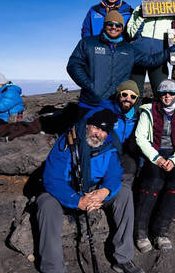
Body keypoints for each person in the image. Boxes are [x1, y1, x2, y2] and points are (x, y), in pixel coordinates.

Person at [37, 108, 144, 273]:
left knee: (124, 193)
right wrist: (77, 200)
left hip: (94, 189)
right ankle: (53, 268)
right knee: (46, 205)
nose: (98, 133)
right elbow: (52, 178)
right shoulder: (67, 142)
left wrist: (104, 191)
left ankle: (123, 258)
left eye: (103, 130)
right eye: (96, 127)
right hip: (67, 190)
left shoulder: (110, 146)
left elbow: (114, 174)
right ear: (88, 126)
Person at [133, 79, 175, 252]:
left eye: (171, 93)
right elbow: (140, 137)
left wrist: (174, 160)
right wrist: (157, 158)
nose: (167, 96)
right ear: (158, 94)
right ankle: (140, 231)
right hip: (155, 153)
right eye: (163, 93)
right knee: (153, 181)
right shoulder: (148, 110)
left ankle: (160, 232)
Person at [68, 10, 154, 118]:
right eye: (110, 24)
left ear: (122, 28)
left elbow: (151, 60)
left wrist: (171, 51)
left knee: (112, 134)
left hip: (115, 104)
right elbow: (73, 65)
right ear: (105, 25)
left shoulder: (129, 49)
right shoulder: (88, 43)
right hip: (90, 103)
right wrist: (89, 85)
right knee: (84, 133)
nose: (114, 27)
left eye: (118, 25)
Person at [126, 0, 175, 102]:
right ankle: (133, 119)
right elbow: (130, 32)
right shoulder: (138, 9)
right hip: (138, 56)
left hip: (160, 56)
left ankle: (160, 119)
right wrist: (142, 16)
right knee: (134, 92)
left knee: (161, 92)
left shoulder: (169, 8)